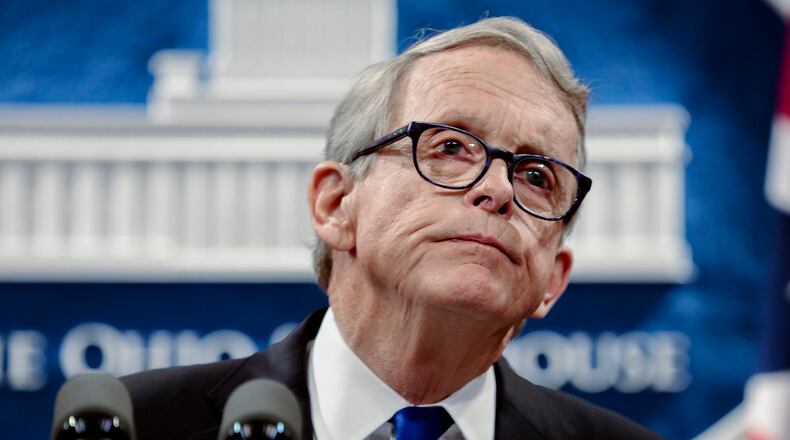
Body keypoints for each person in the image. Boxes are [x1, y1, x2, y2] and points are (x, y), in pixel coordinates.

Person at [123, 17, 662, 440]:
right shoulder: (138, 425)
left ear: (553, 280)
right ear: (337, 204)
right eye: (451, 147)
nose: (498, 189)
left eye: (537, 177)